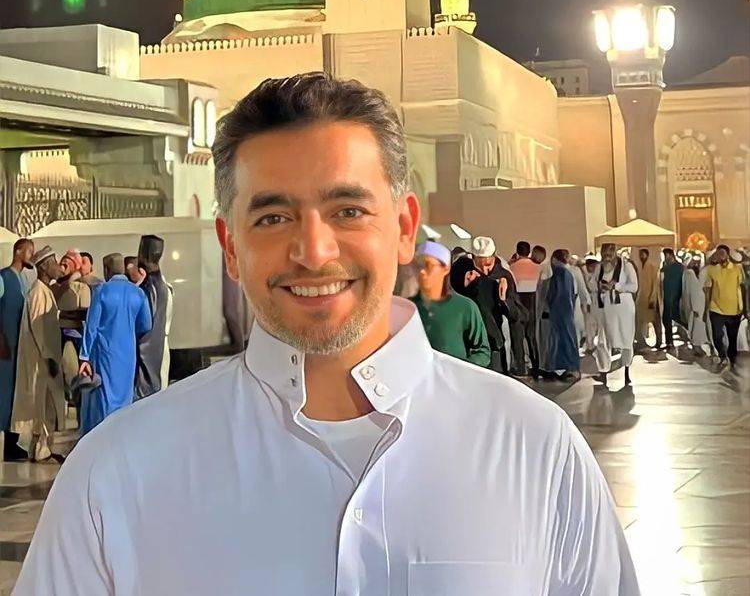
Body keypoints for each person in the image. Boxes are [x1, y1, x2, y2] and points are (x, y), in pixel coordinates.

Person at [16, 73, 640, 595]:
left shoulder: (533, 450)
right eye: (273, 217)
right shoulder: (118, 474)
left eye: (348, 211)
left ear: (404, 227)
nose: (314, 252)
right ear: (231, 246)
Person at [78, 253, 153, 435]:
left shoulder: (102, 291)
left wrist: (84, 356)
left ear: (106, 269)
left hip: (105, 353)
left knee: (104, 397)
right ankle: (121, 435)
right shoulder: (138, 293)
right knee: (124, 396)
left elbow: (92, 327)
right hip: (128, 354)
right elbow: (146, 325)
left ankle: (102, 437)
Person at [11, 247, 66, 463]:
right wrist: (49, 357)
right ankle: (42, 450)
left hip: (45, 359)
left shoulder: (44, 291)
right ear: (44, 267)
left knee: (45, 405)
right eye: (54, 263)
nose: (58, 267)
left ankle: (40, 448)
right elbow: (38, 329)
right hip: (42, 361)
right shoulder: (38, 293)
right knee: (43, 404)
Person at [450, 237, 526, 375]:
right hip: (470, 342)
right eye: (479, 265)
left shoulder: (504, 276)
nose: (484, 271)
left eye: (488, 264)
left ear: (494, 258)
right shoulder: (463, 272)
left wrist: (504, 299)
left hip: (494, 342)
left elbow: (516, 316)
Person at [410, 240, 490, 367]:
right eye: (418, 266)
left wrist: (460, 369)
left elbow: (482, 351)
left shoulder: (465, 307)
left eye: (428, 266)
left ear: (445, 269)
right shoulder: (408, 308)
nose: (422, 272)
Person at [0, 238, 34, 461]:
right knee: (4, 392)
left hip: (19, 346)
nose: (31, 256)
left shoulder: (24, 279)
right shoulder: (3, 277)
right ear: (19, 251)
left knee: (15, 392)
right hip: (5, 345)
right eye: (29, 251)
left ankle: (12, 443)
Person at [593, 243, 637, 387]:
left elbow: (634, 286)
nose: (607, 258)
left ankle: (626, 370)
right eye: (604, 255)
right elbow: (592, 283)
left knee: (626, 338)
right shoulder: (599, 267)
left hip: (623, 308)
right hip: (604, 308)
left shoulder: (626, 266)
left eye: (609, 255)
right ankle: (603, 372)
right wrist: (599, 286)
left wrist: (616, 286)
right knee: (602, 340)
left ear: (615, 254)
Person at [134, 235, 170, 399]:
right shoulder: (162, 285)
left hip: (148, 350)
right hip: (157, 348)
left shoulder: (149, 287)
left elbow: (143, 324)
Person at [536, 250, 580, 382]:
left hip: (560, 312)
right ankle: (567, 368)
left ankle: (570, 368)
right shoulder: (568, 273)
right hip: (565, 312)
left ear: (554, 259)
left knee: (563, 339)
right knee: (565, 339)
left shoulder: (560, 274)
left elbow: (556, 295)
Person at [52, 249, 91, 393]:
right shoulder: (57, 285)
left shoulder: (83, 286)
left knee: (74, 372)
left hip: (76, 333)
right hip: (61, 332)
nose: (63, 263)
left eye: (68, 260)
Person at [705, 244, 746, 372]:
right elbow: (708, 289)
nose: (720, 255)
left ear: (728, 254)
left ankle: (732, 359)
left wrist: (745, 308)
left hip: (734, 310)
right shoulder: (712, 270)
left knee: (732, 338)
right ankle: (722, 356)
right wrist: (706, 308)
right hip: (716, 308)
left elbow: (743, 288)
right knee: (717, 336)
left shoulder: (737, 269)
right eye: (718, 253)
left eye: (722, 253)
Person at [509, 240, 541, 375]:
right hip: (534, 304)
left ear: (517, 252)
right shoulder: (538, 268)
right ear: (529, 252)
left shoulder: (511, 268)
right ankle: (537, 366)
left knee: (517, 339)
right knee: (533, 338)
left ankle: (521, 367)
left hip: (518, 304)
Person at [681, 253, 708, 356]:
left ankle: (697, 346)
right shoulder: (689, 274)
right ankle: (696, 347)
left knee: (699, 326)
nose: (696, 264)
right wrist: (694, 307)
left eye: (697, 262)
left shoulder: (699, 274)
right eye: (694, 262)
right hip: (695, 306)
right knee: (696, 326)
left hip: (701, 305)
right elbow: (689, 291)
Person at [634, 248, 661, 350]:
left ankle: (659, 342)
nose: (641, 256)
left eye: (643, 254)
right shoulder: (641, 267)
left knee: (655, 321)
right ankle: (641, 341)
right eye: (640, 255)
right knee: (640, 321)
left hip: (650, 298)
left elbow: (655, 284)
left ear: (647, 255)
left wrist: (652, 298)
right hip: (642, 298)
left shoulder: (651, 266)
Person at [660, 248, 684, 350]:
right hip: (666, 297)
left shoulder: (680, 267)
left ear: (670, 255)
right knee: (666, 319)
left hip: (677, 297)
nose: (665, 258)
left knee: (678, 318)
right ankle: (669, 342)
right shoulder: (665, 268)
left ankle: (688, 336)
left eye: (666, 256)